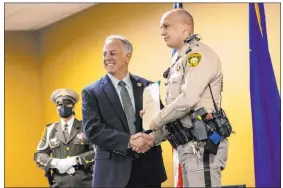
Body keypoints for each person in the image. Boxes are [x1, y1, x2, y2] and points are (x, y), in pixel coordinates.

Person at [148, 9, 230, 187]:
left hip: (203, 145)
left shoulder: (197, 56)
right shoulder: (180, 60)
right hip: (189, 148)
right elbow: (180, 114)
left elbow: (188, 99)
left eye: (166, 26)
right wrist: (153, 137)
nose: (162, 32)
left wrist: (158, 119)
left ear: (185, 26)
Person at [82, 35, 167, 188]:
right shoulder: (92, 92)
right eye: (104, 54)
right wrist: (128, 140)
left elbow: (163, 122)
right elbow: (92, 130)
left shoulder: (148, 87)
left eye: (112, 53)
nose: (107, 58)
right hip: (112, 174)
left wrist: (150, 139)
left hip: (148, 171)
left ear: (127, 56)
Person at [34, 88, 94, 187]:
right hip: (59, 183)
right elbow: (39, 155)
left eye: (67, 104)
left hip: (84, 182)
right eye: (60, 105)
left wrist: (76, 160)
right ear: (56, 108)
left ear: (73, 107)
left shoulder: (86, 127)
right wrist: (55, 162)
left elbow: (97, 151)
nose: (63, 107)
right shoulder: (50, 130)